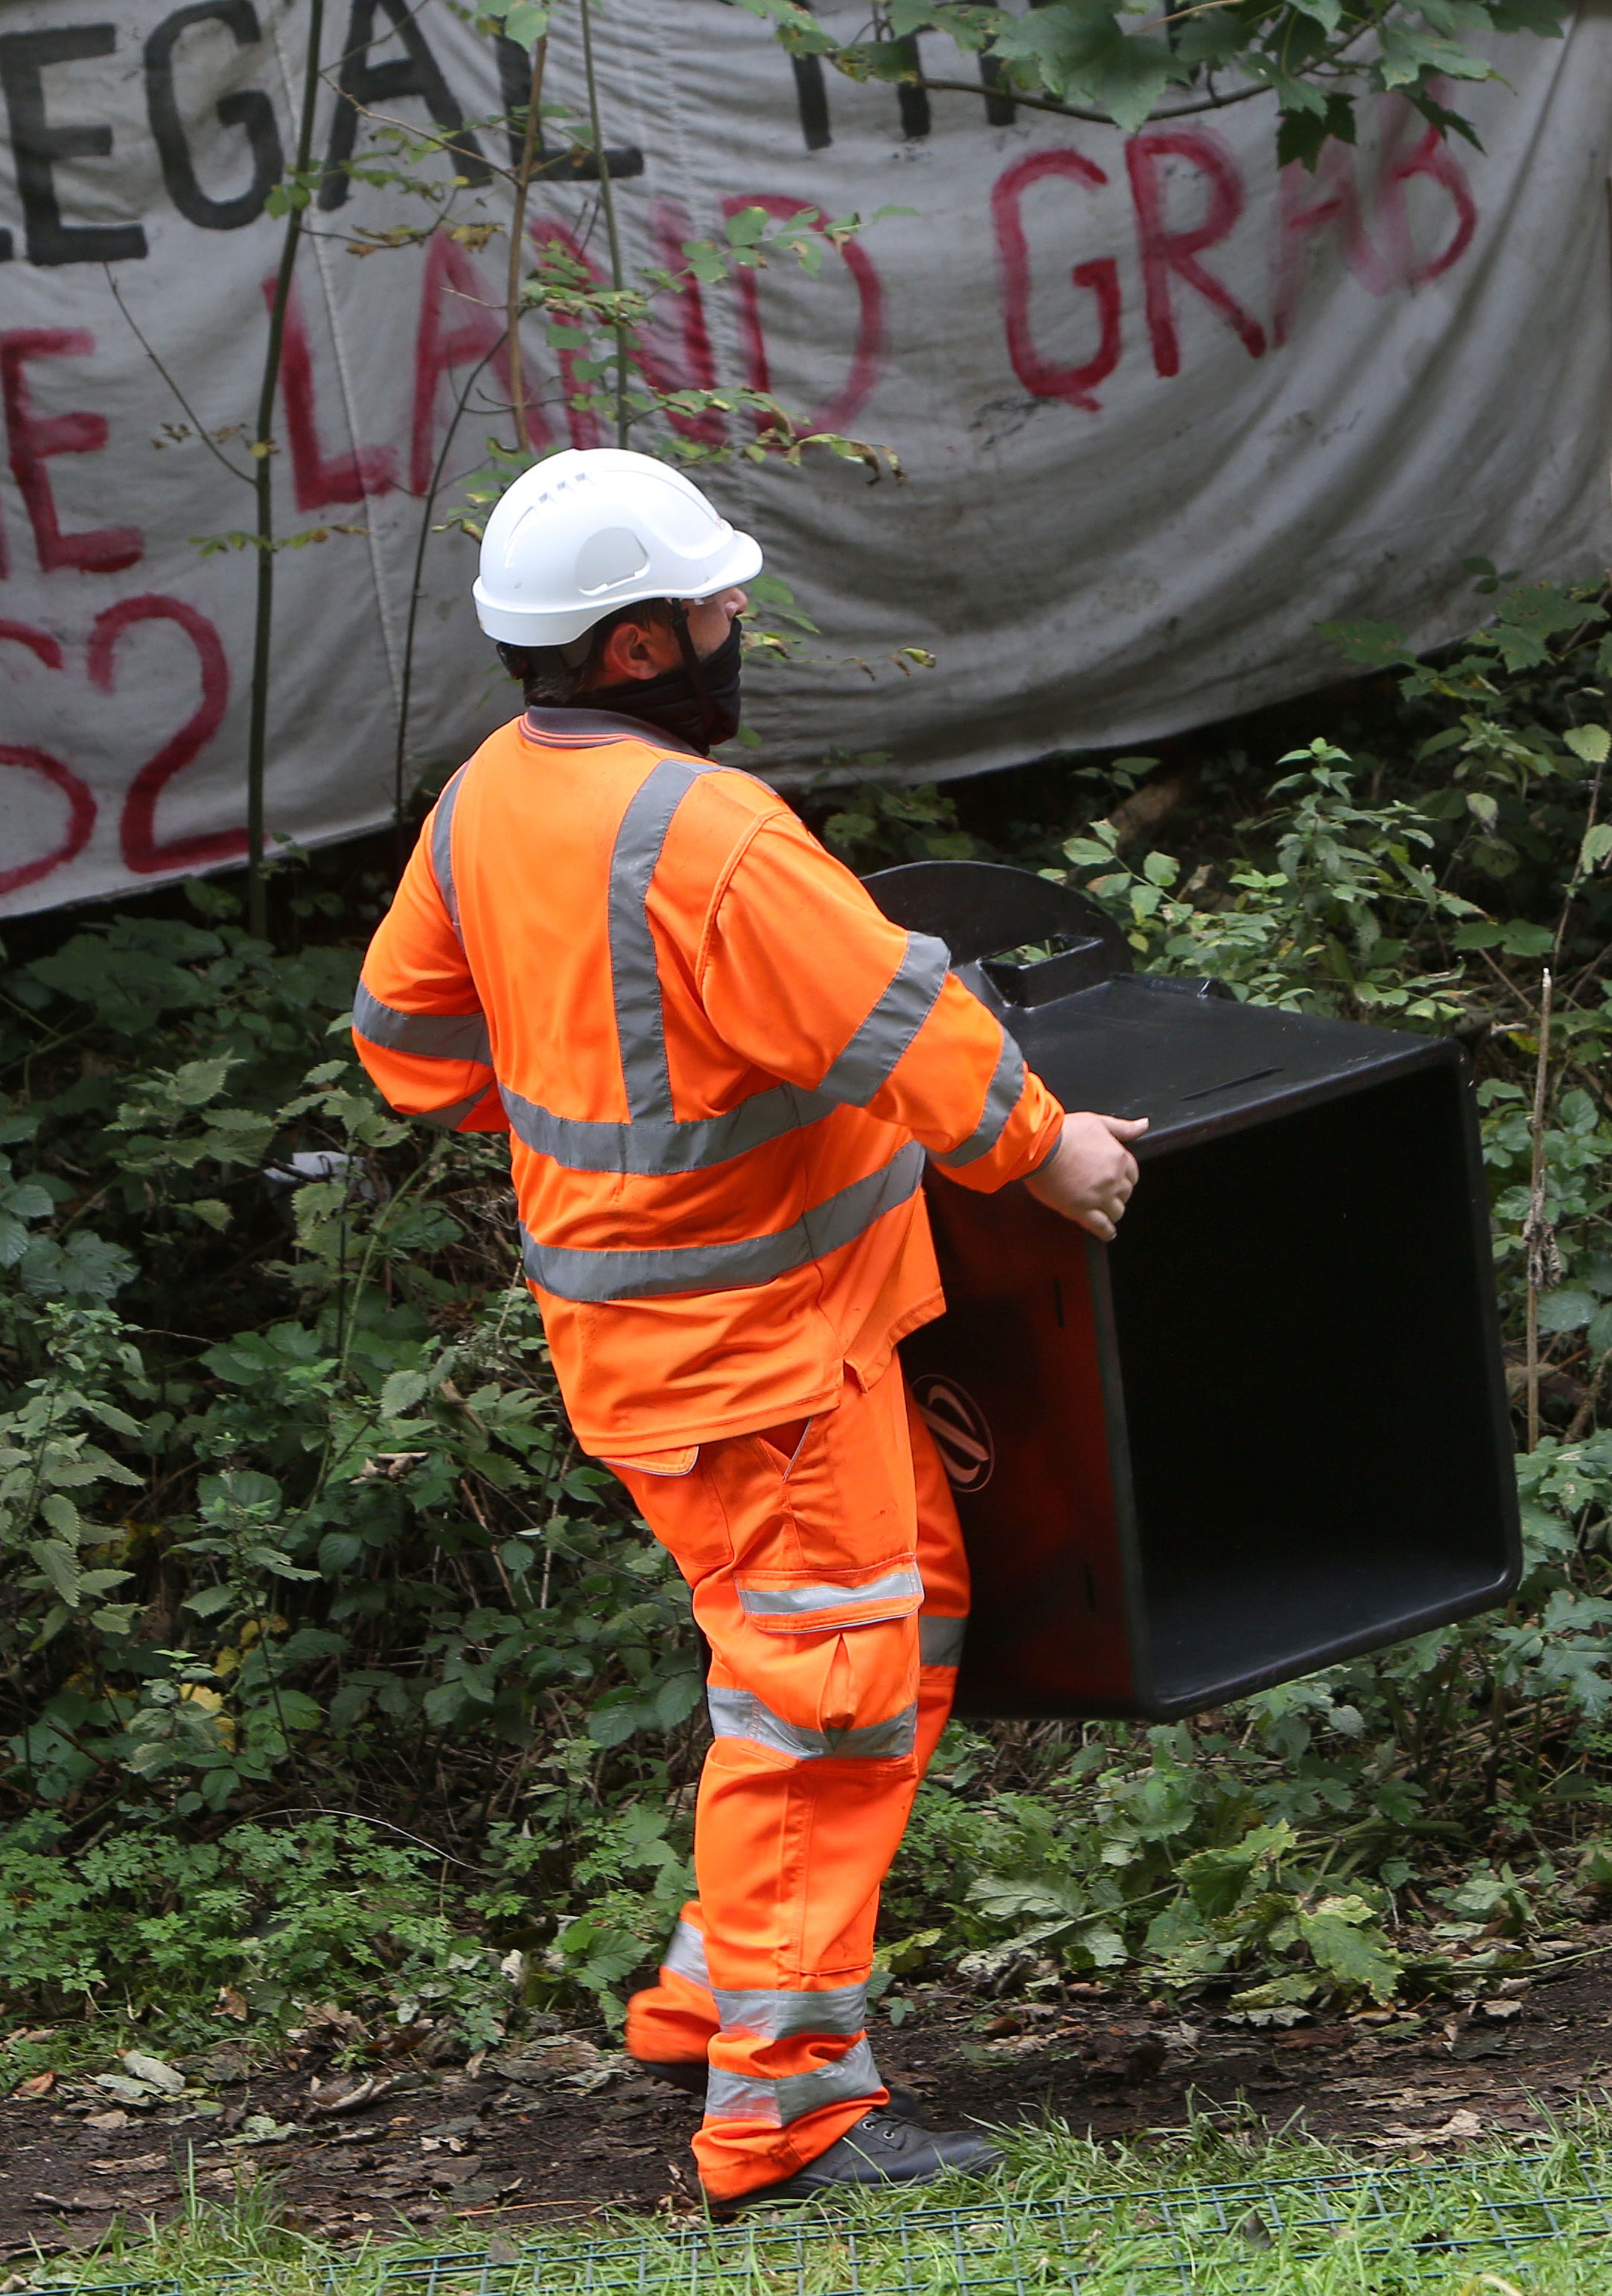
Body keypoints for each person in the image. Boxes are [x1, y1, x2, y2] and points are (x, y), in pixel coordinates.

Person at [348, 448, 1146, 2222]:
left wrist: (586, 1125)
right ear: (635, 647)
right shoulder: (706, 832)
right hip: (760, 1360)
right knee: (825, 1701)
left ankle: (714, 1995)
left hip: (673, 1354)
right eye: (714, 610)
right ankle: (783, 2104)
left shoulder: (487, 799)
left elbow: (403, 1042)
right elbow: (899, 1019)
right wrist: (1053, 1148)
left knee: (883, 1617)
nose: (735, 630)